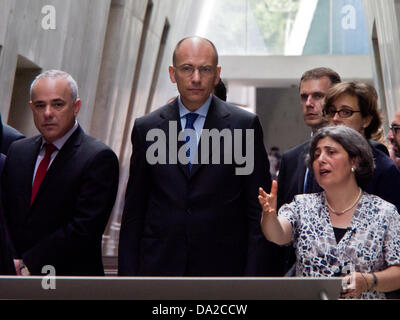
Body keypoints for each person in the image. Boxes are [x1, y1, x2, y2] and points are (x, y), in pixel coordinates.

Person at [118, 36, 272, 276]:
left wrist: (253, 281)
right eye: (187, 68)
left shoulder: (244, 126)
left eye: (205, 69)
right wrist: (127, 281)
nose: (196, 78)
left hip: (224, 272)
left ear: (217, 74)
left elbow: (257, 212)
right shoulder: (147, 129)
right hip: (159, 269)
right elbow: (134, 212)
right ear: (172, 73)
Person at [259, 125, 400, 299]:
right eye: (316, 155)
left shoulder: (384, 212)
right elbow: (277, 234)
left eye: (331, 152)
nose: (321, 160)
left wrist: (368, 281)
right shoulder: (302, 206)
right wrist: (269, 215)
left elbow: (398, 272)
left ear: (354, 161)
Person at [2, 70, 119, 276]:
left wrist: (27, 265)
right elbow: (6, 216)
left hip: (68, 283)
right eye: (40, 105)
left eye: (57, 104)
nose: (47, 113)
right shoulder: (18, 151)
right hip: (12, 281)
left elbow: (83, 229)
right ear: (32, 108)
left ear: (76, 107)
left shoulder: (98, 158)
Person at [275, 67, 341, 275]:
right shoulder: (291, 159)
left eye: (318, 96)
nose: (309, 103)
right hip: (296, 274)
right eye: (304, 97)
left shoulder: (358, 156)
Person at [323, 81, 400, 212]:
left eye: (345, 112)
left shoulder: (383, 168)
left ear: (366, 120)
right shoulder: (321, 163)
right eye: (331, 111)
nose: (335, 118)